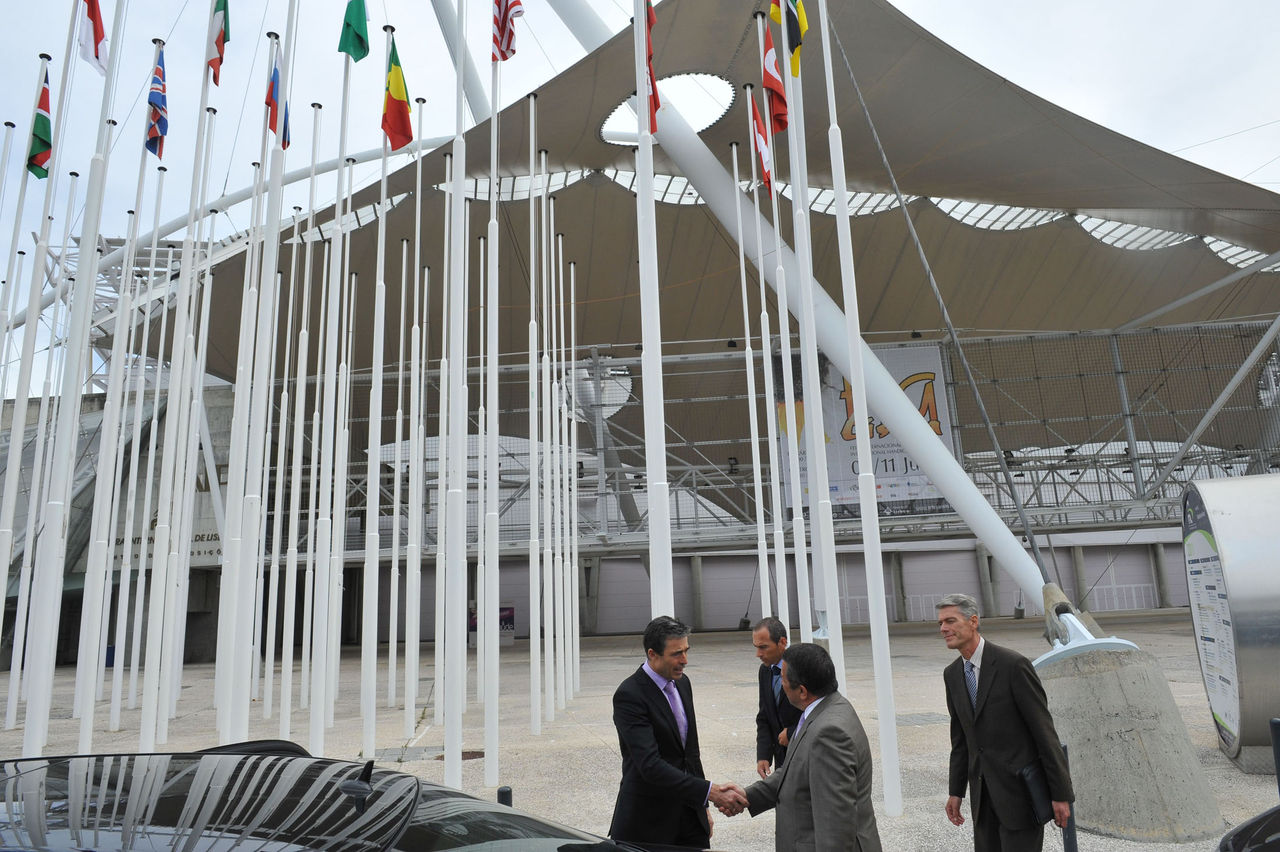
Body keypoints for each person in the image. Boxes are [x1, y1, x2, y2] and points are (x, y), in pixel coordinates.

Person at [937, 593, 1074, 851]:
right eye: (941, 623)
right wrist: (956, 791)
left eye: (950, 621)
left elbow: (1044, 734)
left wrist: (1061, 795)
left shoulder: (1013, 665)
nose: (944, 628)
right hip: (983, 801)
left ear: (973, 621)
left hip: (1020, 798)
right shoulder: (952, 675)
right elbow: (961, 740)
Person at [732, 642, 883, 852]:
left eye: (783, 679)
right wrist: (748, 796)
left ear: (802, 691)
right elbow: (795, 769)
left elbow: (835, 826)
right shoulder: (824, 709)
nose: (782, 685)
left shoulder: (828, 733)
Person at [608, 615, 741, 848]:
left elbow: (690, 754)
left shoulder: (682, 683)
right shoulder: (630, 695)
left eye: (686, 650)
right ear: (652, 654)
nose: (685, 660)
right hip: (648, 824)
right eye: (676, 654)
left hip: (688, 819)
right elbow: (650, 765)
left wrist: (702, 808)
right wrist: (711, 792)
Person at [752, 616, 802, 779]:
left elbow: (821, 713)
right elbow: (764, 715)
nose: (758, 654)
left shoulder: (803, 668)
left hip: (804, 758)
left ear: (782, 642)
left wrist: (794, 733)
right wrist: (763, 755)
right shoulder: (765, 671)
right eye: (756, 647)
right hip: (781, 761)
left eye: (763, 647)